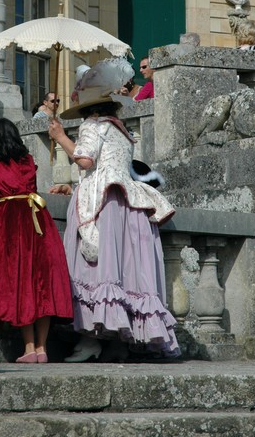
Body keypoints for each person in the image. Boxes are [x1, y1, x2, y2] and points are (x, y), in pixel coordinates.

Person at [48, 58, 180, 363]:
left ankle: (91, 340)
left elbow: (86, 161)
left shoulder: (93, 125)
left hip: (103, 203)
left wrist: (60, 137)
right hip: (126, 203)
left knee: (97, 268)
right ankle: (121, 342)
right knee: (126, 272)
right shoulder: (121, 129)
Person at [0, 118, 73, 363]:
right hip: (39, 220)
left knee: (20, 282)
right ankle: (43, 349)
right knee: (41, 283)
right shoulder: (28, 160)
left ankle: (29, 347)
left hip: (12, 220)